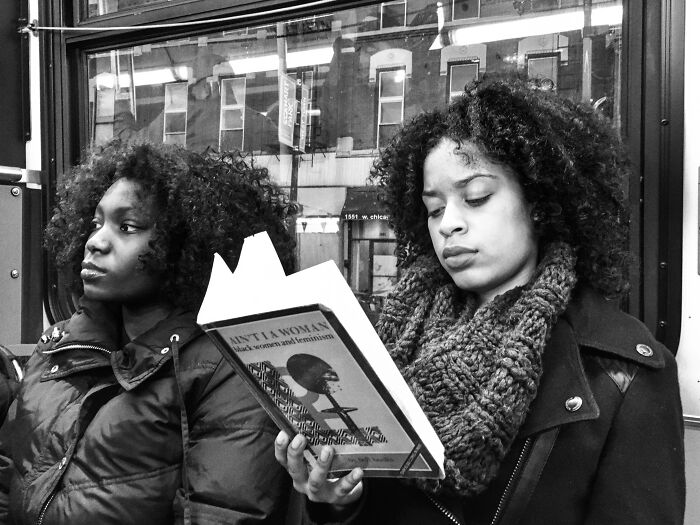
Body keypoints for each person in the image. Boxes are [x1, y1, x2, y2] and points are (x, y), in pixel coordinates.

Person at [274, 76, 686, 524]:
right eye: (433, 209)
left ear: (538, 202)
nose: (448, 223)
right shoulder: (385, 342)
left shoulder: (622, 374)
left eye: (476, 197)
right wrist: (338, 503)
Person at [0, 141, 297, 524]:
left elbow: (220, 512)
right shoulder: (57, 348)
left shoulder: (228, 370)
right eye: (96, 224)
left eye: (127, 227)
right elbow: (8, 481)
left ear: (183, 245)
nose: (96, 242)